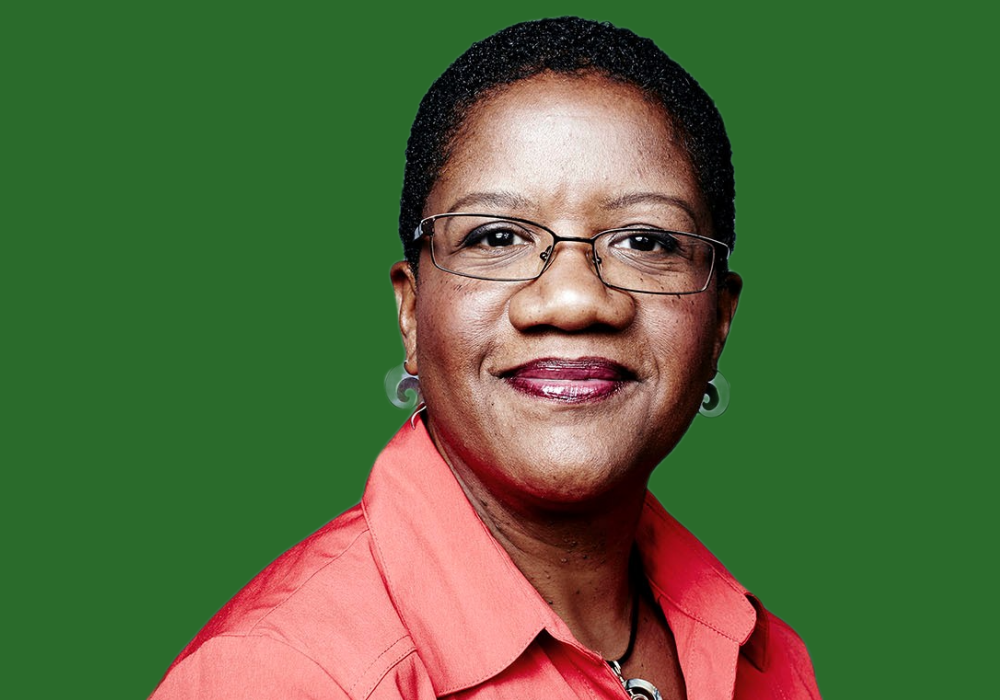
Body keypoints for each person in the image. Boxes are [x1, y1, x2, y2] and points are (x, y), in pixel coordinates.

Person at [150, 17, 820, 700]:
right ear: (411, 313)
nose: (572, 300)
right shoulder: (281, 676)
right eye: (497, 236)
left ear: (719, 322)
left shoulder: (764, 656)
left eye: (644, 241)